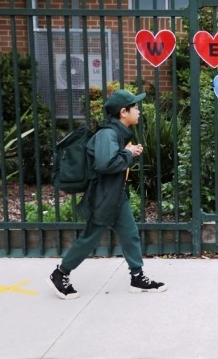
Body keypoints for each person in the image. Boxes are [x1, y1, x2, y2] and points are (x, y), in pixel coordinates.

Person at [47, 89, 167, 300]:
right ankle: (60, 273)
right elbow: (105, 164)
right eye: (135, 107)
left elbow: (112, 160)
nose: (138, 111)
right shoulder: (108, 134)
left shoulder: (117, 133)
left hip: (116, 194)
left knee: (130, 234)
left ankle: (137, 277)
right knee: (90, 239)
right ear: (123, 112)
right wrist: (128, 153)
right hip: (104, 196)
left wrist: (129, 153)